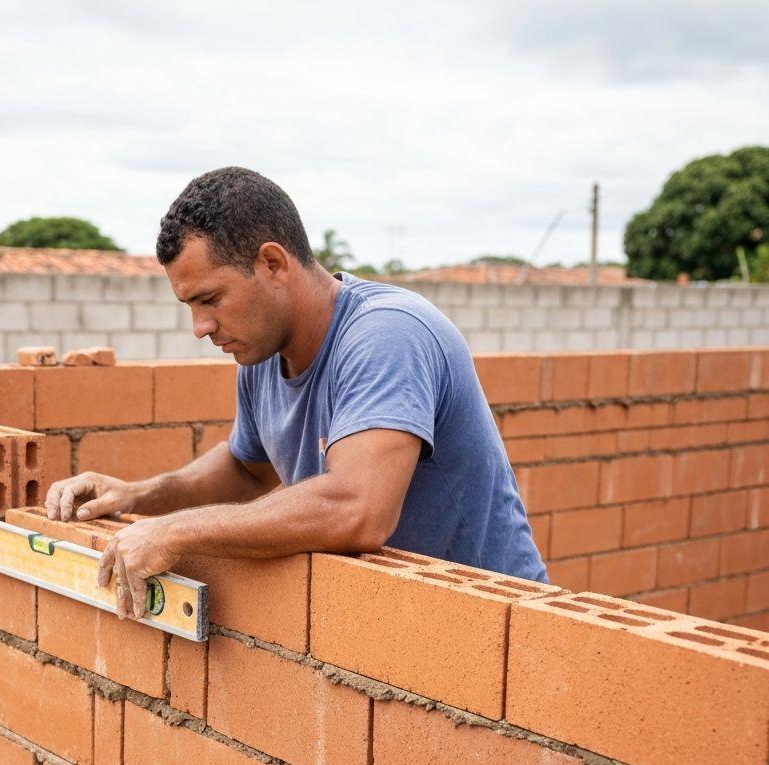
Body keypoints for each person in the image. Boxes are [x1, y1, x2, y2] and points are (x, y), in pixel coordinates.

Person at [45, 167, 546, 618]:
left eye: (210, 299)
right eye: (189, 305)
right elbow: (246, 470)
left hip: (494, 633)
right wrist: (137, 495)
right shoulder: (262, 355)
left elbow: (358, 509)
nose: (200, 327)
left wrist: (177, 531)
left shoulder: (387, 334)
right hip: (397, 631)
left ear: (273, 264)